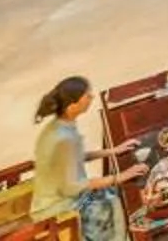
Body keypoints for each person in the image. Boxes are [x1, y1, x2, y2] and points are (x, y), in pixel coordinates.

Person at [31, 76, 140, 241]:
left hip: (54, 197)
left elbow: (76, 157)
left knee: (115, 191)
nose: (91, 98)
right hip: (60, 210)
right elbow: (74, 186)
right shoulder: (64, 140)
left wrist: (113, 151)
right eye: (87, 96)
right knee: (117, 201)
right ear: (72, 106)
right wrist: (120, 177)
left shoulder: (57, 127)